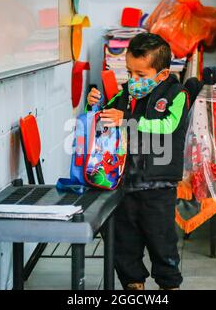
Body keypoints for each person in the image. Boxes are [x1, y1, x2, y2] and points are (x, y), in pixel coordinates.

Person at [86, 33, 188, 290]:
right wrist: (95, 106)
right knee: (124, 243)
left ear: (162, 74)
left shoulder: (177, 95)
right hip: (125, 184)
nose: (133, 80)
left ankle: (169, 285)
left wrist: (128, 121)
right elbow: (104, 118)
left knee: (161, 242)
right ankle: (133, 285)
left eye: (141, 75)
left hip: (158, 187)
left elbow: (168, 126)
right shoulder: (125, 95)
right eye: (130, 72)